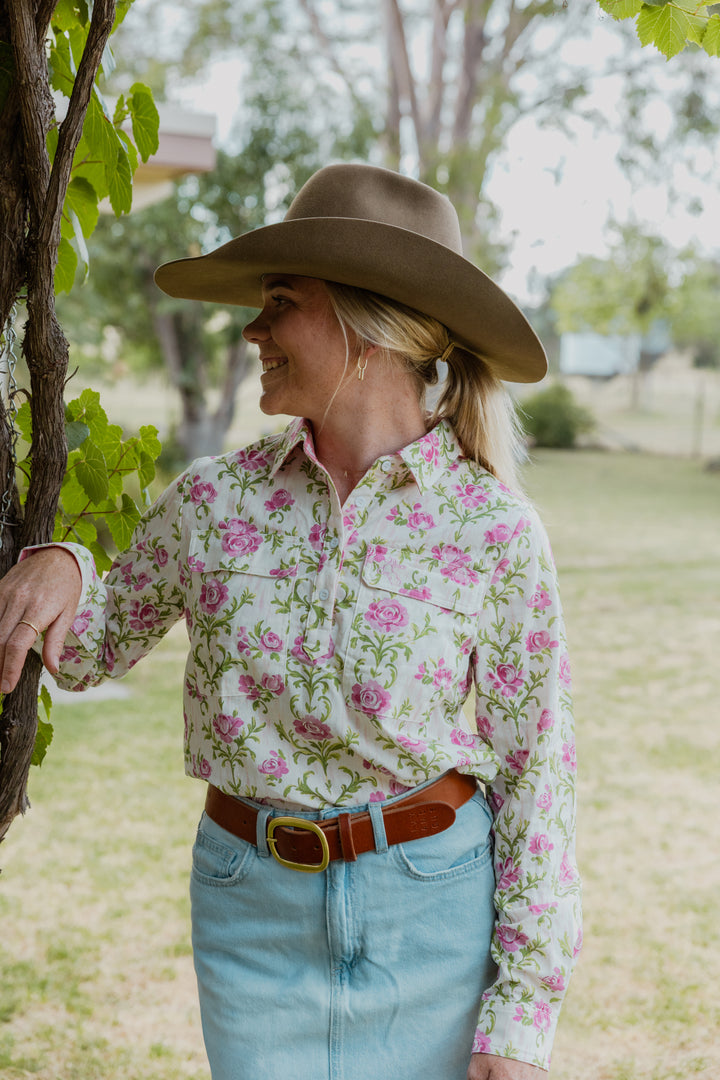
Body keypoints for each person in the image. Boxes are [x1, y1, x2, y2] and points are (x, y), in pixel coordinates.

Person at [0, 164, 581, 1080]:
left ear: (367, 326)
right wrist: (65, 562)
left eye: (281, 303)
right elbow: (90, 647)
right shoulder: (213, 502)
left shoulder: (494, 530)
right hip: (250, 915)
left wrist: (521, 1018)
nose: (253, 329)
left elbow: (537, 770)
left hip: (434, 913)